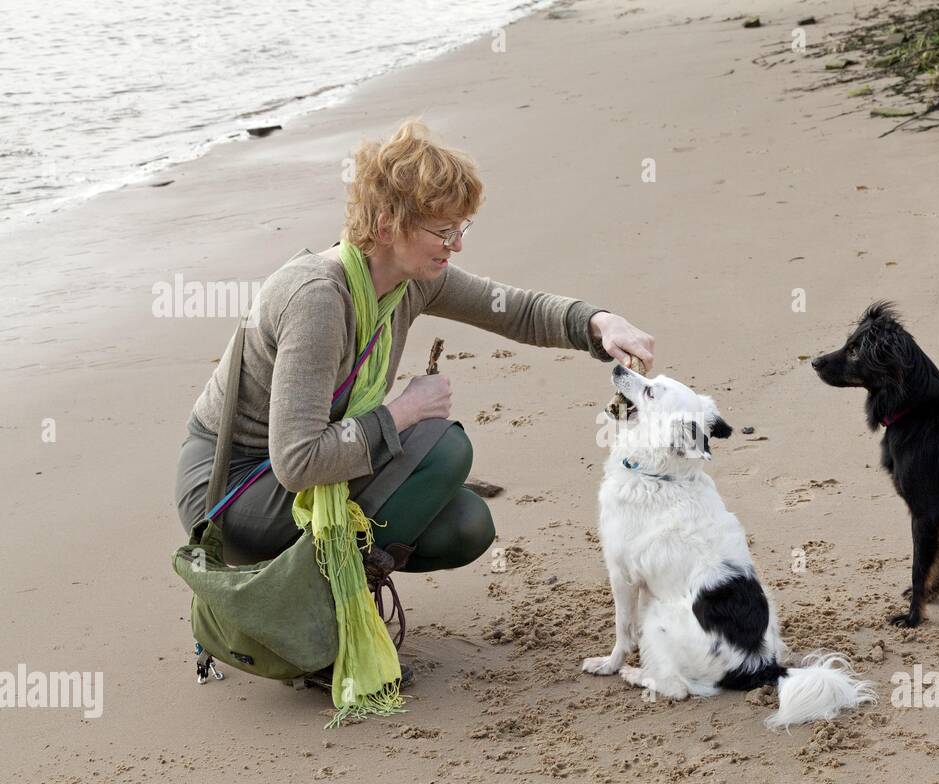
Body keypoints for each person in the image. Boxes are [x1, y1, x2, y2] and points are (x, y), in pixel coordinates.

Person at [173, 120, 654, 710]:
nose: (457, 245)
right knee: (442, 445)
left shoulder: (408, 281)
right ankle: (320, 624)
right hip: (233, 489)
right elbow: (297, 462)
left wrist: (597, 324)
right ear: (386, 227)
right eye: (444, 230)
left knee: (465, 525)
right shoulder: (320, 299)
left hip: (288, 474)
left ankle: (336, 588)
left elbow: (511, 309)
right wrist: (402, 410)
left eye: (463, 227)